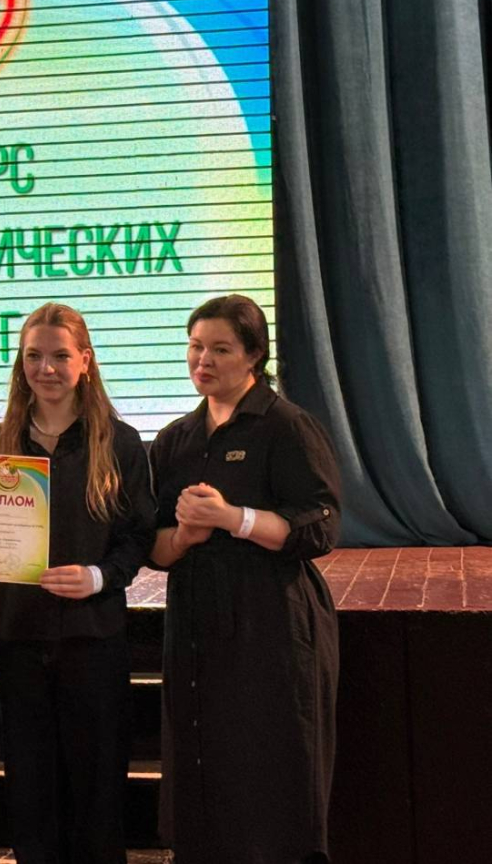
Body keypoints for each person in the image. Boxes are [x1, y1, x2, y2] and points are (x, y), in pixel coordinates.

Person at [0, 303, 155, 863]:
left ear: (85, 361)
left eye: (60, 356)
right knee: (31, 796)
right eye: (34, 356)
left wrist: (99, 577)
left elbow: (138, 538)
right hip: (20, 641)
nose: (47, 368)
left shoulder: (121, 443)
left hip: (94, 640)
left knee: (97, 796)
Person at [148, 294, 341, 864]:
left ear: (255, 355)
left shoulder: (286, 426)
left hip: (272, 621)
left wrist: (234, 518)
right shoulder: (176, 439)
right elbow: (153, 544)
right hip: (196, 621)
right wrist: (186, 536)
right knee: (203, 769)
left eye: (221, 349)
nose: (203, 360)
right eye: (195, 347)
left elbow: (320, 526)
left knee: (274, 773)